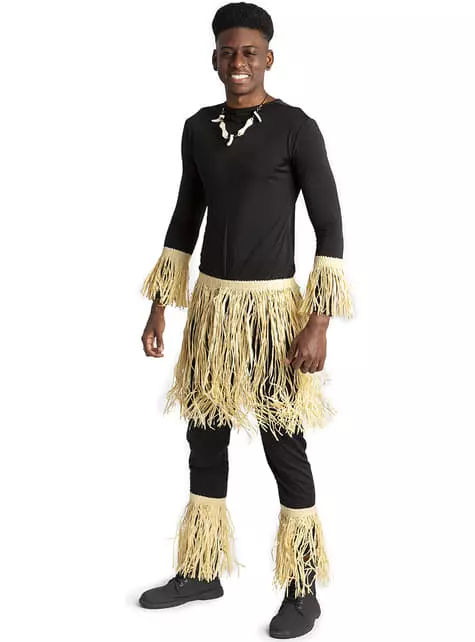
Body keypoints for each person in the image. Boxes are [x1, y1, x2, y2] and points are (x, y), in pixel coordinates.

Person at [138, 2, 354, 638]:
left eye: (250, 52)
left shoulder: (295, 128)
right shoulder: (198, 129)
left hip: (271, 317)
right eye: (228, 52)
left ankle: (303, 588)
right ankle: (201, 569)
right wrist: (160, 305)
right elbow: (186, 215)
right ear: (214, 59)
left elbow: (330, 227)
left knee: (284, 443)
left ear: (268, 57)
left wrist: (318, 322)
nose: (239, 62)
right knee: (204, 437)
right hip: (212, 312)